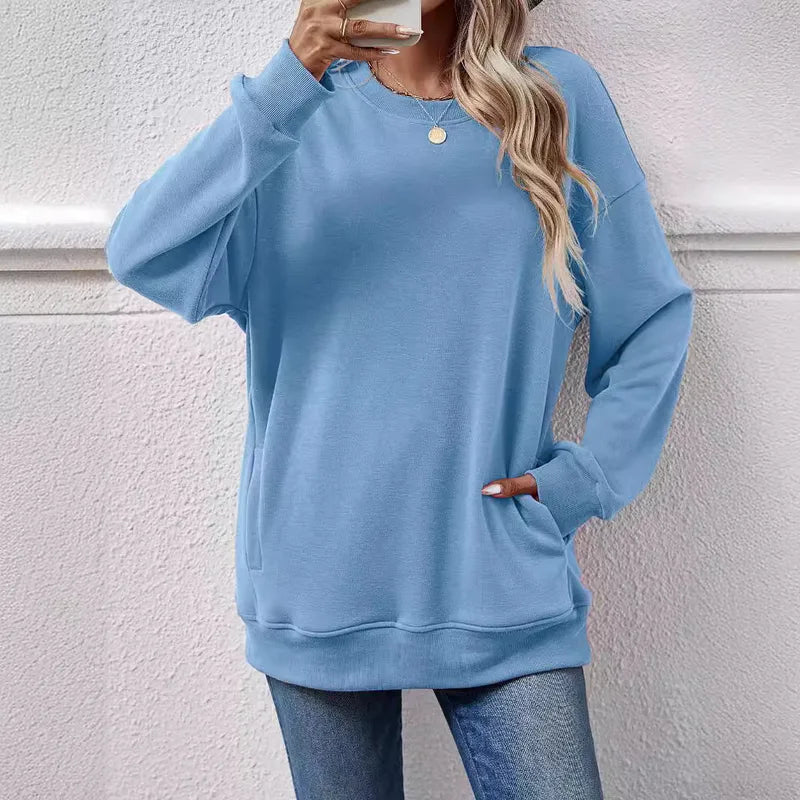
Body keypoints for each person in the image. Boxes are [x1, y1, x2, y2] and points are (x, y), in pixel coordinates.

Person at [105, 0, 695, 796]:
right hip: (319, 576)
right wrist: (291, 77)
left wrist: (583, 483)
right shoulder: (296, 112)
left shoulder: (555, 98)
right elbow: (141, 251)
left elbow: (651, 318)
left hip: (501, 571)